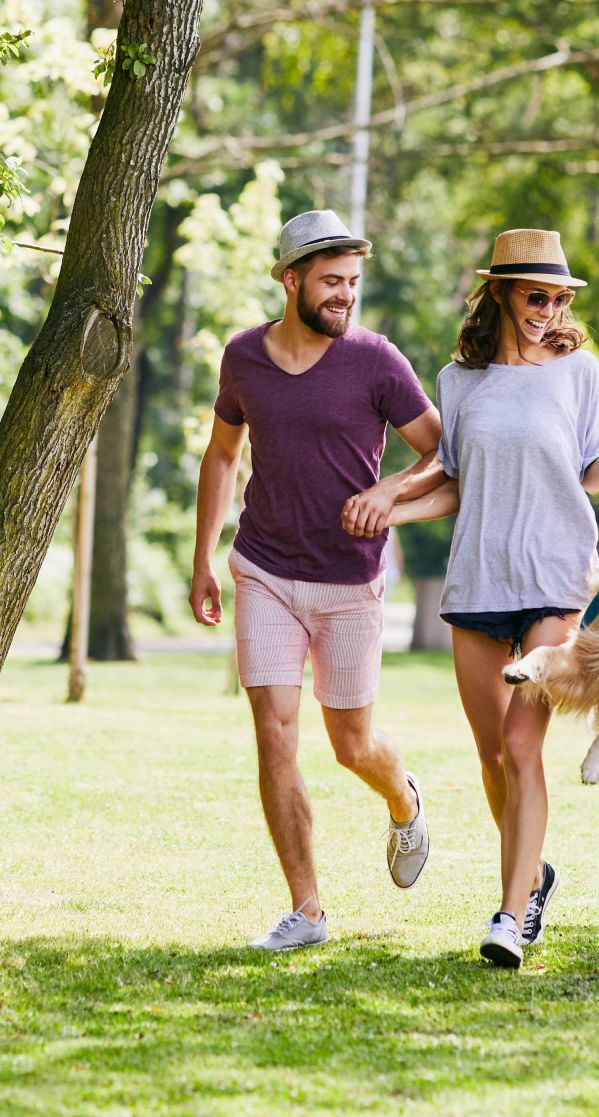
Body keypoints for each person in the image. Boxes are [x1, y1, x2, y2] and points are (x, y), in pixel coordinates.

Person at [360, 229, 599, 968]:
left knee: (524, 749)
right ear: (501, 293)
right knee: (492, 755)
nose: (548, 310)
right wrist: (389, 507)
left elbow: (589, 468)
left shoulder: (578, 370)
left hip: (555, 575)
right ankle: (535, 875)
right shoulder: (459, 381)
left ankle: (510, 915)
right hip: (479, 574)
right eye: (535, 296)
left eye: (558, 298)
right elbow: (454, 482)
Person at [188, 209, 445, 952]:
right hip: (263, 567)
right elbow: (220, 454)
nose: (345, 297)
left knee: (352, 744)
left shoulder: (376, 362)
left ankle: (404, 797)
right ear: (291, 280)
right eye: (332, 283)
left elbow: (438, 452)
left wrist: (388, 493)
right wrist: (205, 555)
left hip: (349, 579)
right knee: (274, 736)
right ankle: (306, 909)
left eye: (354, 284)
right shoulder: (244, 358)